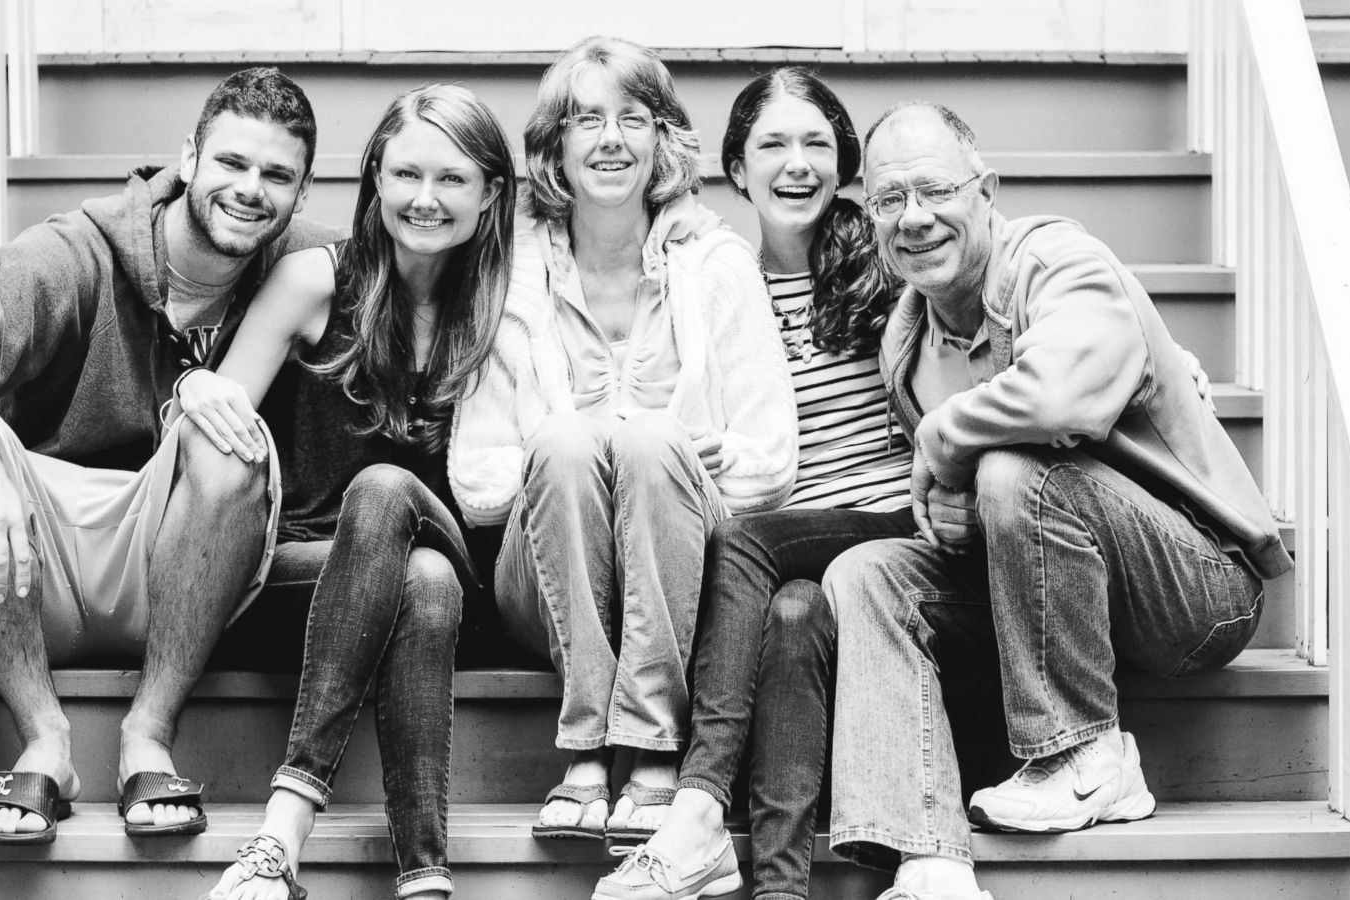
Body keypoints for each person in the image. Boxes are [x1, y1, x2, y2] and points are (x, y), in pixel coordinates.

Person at [821, 101, 1291, 900]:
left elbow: (1064, 396)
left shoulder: (1058, 259)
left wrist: (945, 440)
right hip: (1056, 599)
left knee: (1012, 468)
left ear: (987, 190)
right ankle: (929, 856)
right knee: (866, 572)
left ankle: (1083, 754)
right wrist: (951, 513)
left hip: (1196, 587)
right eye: (890, 200)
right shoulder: (905, 341)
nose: (916, 218)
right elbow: (983, 509)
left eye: (935, 191)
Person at [0, 67, 336, 845]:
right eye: (231, 162)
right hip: (32, 558)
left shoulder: (303, 269)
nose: (250, 189)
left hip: (185, 558)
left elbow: (427, 272)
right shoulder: (74, 253)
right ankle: (46, 741)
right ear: (188, 156)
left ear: (303, 190)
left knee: (228, 445)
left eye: (276, 174)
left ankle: (147, 735)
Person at [449, 36, 797, 850]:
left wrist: (673, 457)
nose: (610, 140)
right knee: (573, 441)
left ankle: (644, 753)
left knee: (649, 446)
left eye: (632, 119)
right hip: (546, 584)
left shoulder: (716, 266)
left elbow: (772, 462)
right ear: (555, 147)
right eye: (586, 121)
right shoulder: (512, 278)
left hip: (682, 582)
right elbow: (474, 481)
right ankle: (585, 746)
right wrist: (574, 445)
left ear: (662, 140)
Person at [591, 66, 913, 900]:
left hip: (889, 521)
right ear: (737, 168)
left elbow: (1001, 307)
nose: (796, 162)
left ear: (845, 164)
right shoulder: (714, 281)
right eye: (773, 143)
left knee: (745, 545)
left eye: (817, 143)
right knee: (792, 615)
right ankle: (775, 887)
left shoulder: (890, 258)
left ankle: (696, 806)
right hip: (790, 554)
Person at [197, 83, 512, 900]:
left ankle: (281, 832)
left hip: (457, 564)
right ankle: (425, 877)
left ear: (490, 194)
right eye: (406, 174)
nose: (425, 199)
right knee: (421, 582)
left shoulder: (507, 306)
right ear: (374, 177)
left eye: (452, 179)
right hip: (299, 580)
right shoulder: (315, 280)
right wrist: (194, 391)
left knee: (392, 503)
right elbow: (213, 425)